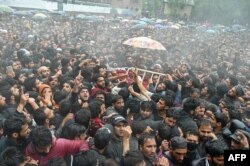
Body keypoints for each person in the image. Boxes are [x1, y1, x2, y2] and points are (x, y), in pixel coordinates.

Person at [24, 126, 89, 166]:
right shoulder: (28, 152)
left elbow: (82, 143)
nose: (47, 150)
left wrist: (82, 157)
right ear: (34, 145)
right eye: (42, 148)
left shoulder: (61, 144)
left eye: (49, 145)